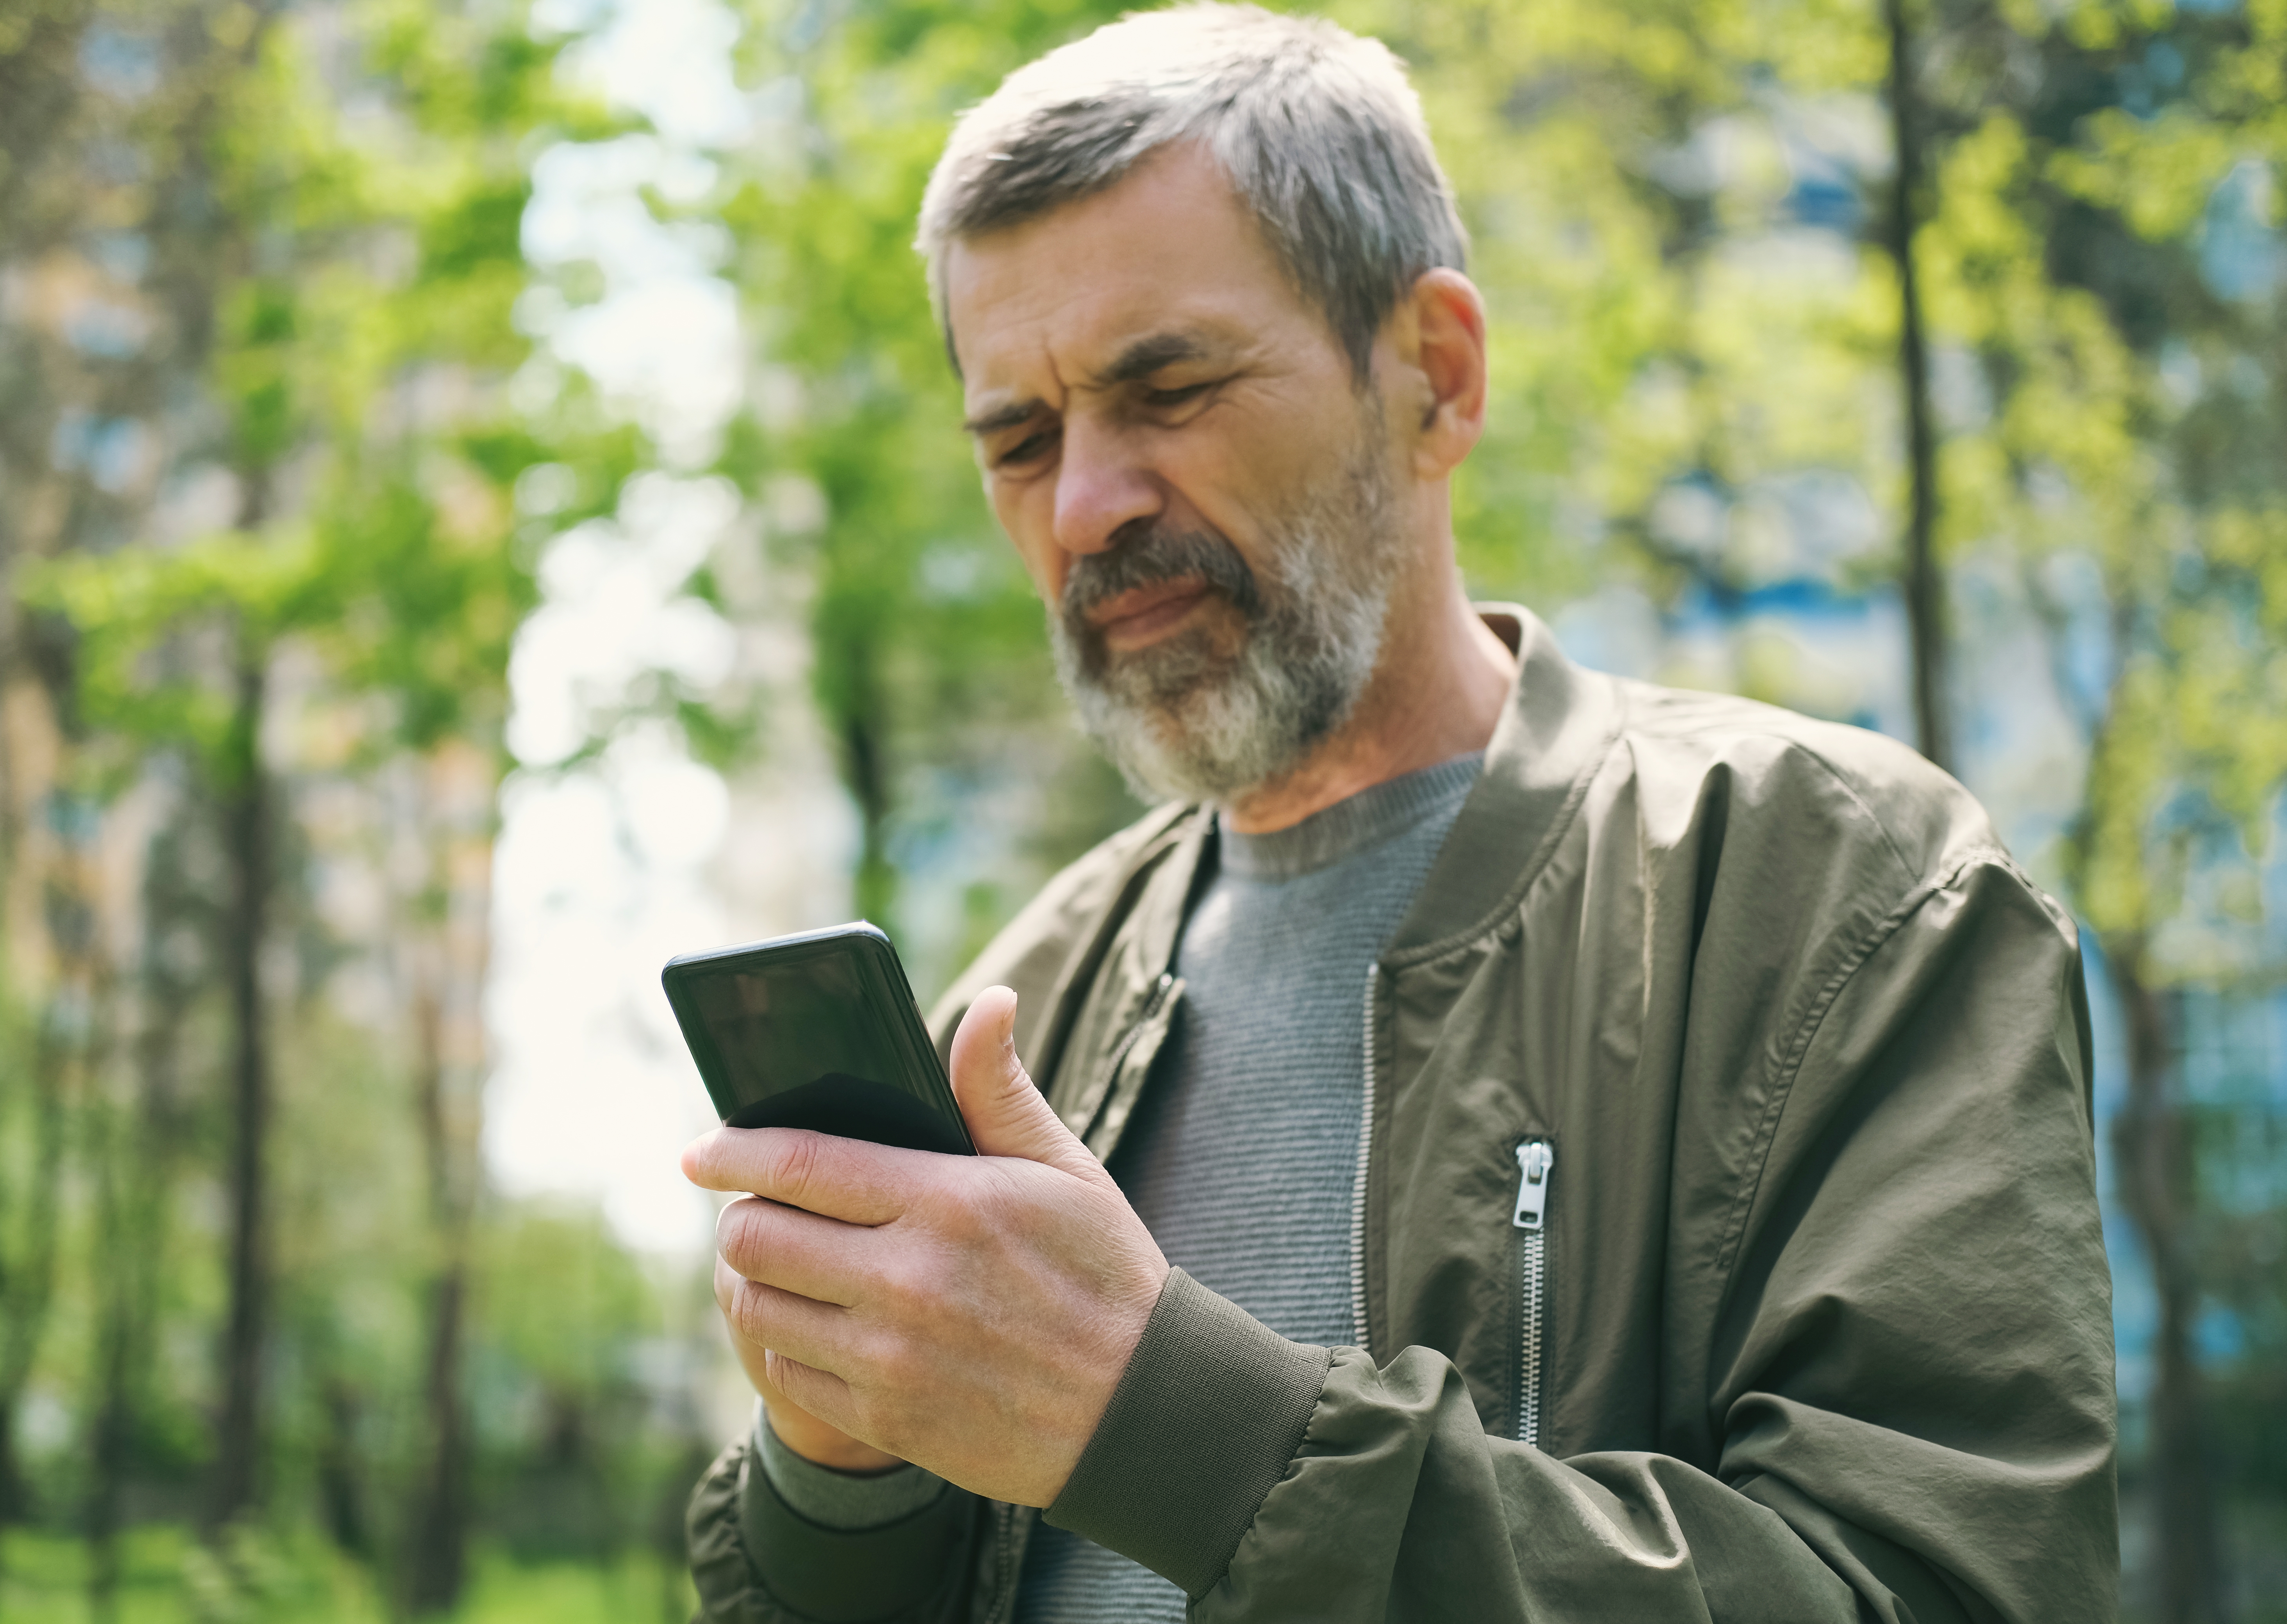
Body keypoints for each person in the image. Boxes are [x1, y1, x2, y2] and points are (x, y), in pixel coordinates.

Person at [678, 6, 2119, 1620]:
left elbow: (1937, 1586)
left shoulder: (1836, 888)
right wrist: (839, 1461)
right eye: (1021, 438)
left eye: (1170, 387)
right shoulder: (1035, 983)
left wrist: (1163, 1415)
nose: (1086, 504)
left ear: (1433, 378)